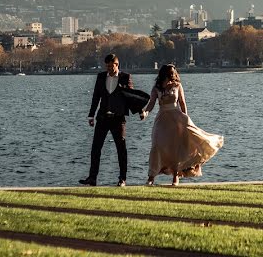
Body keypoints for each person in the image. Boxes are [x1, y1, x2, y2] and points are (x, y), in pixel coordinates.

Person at [141, 63, 223, 186]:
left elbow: (182, 103)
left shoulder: (178, 86)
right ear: (164, 74)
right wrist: (145, 112)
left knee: (175, 148)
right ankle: (151, 176)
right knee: (157, 146)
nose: (172, 76)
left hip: (177, 118)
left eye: (173, 74)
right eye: (170, 74)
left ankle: (175, 176)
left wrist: (186, 119)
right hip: (162, 119)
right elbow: (152, 103)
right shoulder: (157, 88)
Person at [80, 54, 134, 187]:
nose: (109, 68)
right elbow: (96, 97)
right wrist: (91, 115)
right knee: (95, 149)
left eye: (112, 66)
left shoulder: (125, 77)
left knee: (121, 149)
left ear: (117, 64)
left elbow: (132, 97)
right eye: (107, 66)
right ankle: (92, 178)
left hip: (118, 119)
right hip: (103, 118)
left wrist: (139, 111)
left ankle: (122, 178)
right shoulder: (101, 77)